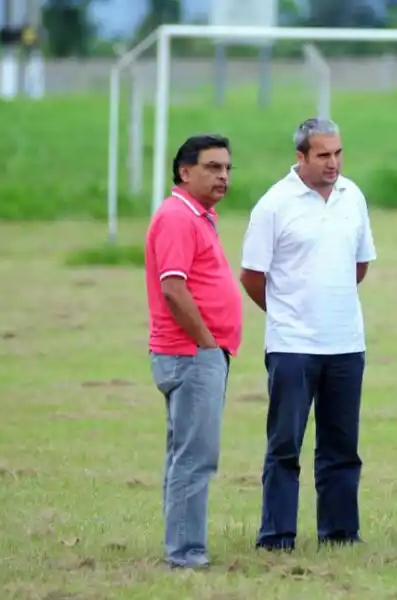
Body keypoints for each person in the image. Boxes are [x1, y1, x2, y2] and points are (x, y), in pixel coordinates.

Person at [239, 117, 377, 552]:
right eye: (323, 155)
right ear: (301, 157)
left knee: (341, 447)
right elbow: (252, 276)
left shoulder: (352, 196)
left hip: (346, 344)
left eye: (338, 153)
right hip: (292, 346)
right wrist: (288, 312)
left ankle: (339, 533)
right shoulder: (273, 205)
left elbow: (360, 263)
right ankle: (277, 536)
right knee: (285, 446)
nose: (333, 163)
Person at [144, 133, 243, 570]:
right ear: (185, 172)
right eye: (212, 167)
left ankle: (181, 546)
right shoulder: (178, 217)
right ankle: (185, 556)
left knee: (185, 453)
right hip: (190, 354)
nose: (222, 176)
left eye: (226, 168)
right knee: (196, 457)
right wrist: (206, 342)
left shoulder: (198, 215)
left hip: (198, 353)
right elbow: (172, 287)